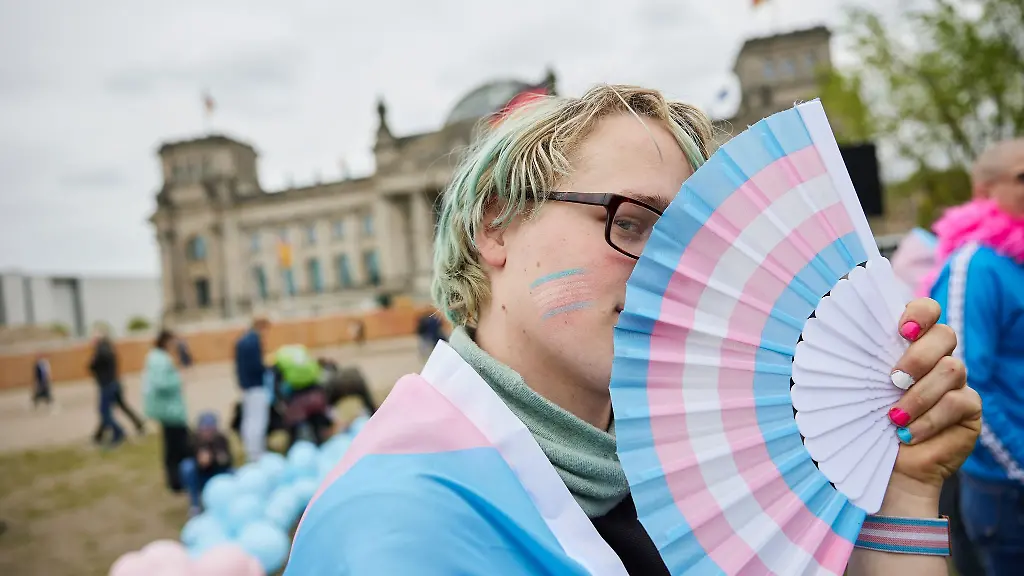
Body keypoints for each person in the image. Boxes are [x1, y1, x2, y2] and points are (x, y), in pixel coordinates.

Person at [285, 85, 982, 575]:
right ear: (494, 227)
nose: (671, 276)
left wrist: (906, 493)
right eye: (632, 221)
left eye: (690, 240)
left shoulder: (678, 473)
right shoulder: (395, 530)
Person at [928, 138, 1024, 576]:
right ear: (985, 190)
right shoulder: (976, 264)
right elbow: (962, 382)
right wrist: (1019, 466)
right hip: (1007, 490)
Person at [142, 329, 190, 492]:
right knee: (179, 447)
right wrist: (177, 380)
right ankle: (178, 480)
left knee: (173, 446)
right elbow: (161, 383)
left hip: (169, 409)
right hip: (170, 410)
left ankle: (176, 479)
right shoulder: (159, 359)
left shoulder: (158, 357)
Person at [179, 412, 233, 517]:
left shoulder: (221, 440)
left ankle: (229, 500)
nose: (207, 432)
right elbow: (186, 457)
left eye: (210, 429)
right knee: (187, 467)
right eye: (205, 429)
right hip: (199, 475)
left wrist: (219, 460)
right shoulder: (193, 441)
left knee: (233, 472)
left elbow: (228, 461)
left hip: (217, 473)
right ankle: (195, 503)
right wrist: (200, 462)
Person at [235, 316, 270, 462]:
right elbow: (256, 365)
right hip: (256, 385)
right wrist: (267, 369)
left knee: (248, 420)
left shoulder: (241, 340)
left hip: (246, 386)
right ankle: (257, 454)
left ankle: (250, 451)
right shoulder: (254, 340)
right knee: (258, 421)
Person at [88, 327, 126, 446]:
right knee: (106, 411)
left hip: (107, 384)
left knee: (104, 412)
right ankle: (99, 436)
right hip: (112, 383)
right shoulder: (109, 349)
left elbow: (92, 365)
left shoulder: (101, 351)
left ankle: (118, 432)